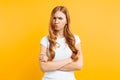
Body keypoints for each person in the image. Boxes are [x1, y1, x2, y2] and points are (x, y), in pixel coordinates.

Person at [39, 6, 83, 80]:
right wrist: (69, 60)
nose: (56, 21)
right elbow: (44, 67)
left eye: (60, 18)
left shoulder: (75, 39)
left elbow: (78, 65)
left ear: (66, 21)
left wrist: (51, 65)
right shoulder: (45, 40)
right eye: (54, 18)